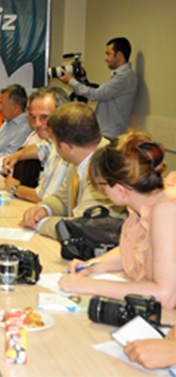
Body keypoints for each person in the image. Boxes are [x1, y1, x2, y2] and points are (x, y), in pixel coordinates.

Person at [58, 131, 176, 309]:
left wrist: (89, 285)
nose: (103, 192)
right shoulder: (143, 203)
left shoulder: (166, 210)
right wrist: (92, 266)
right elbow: (133, 250)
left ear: (121, 190)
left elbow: (166, 295)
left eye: (103, 186)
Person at [19, 103, 126, 238]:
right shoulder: (79, 157)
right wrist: (44, 209)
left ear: (66, 147)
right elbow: (62, 197)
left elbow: (82, 227)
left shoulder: (106, 168)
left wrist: (41, 223)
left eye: (54, 141)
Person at [58, 37, 137, 139]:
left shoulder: (124, 77)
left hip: (109, 135)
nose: (105, 58)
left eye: (108, 54)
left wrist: (71, 81)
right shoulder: (120, 76)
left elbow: (95, 95)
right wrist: (82, 77)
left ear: (119, 54)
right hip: (104, 133)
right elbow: (96, 91)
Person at [1, 87, 69, 203]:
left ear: (62, 115)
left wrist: (15, 188)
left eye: (44, 117)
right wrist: (17, 155)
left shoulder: (66, 146)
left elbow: (45, 197)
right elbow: (42, 148)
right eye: (33, 117)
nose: (37, 124)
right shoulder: (53, 139)